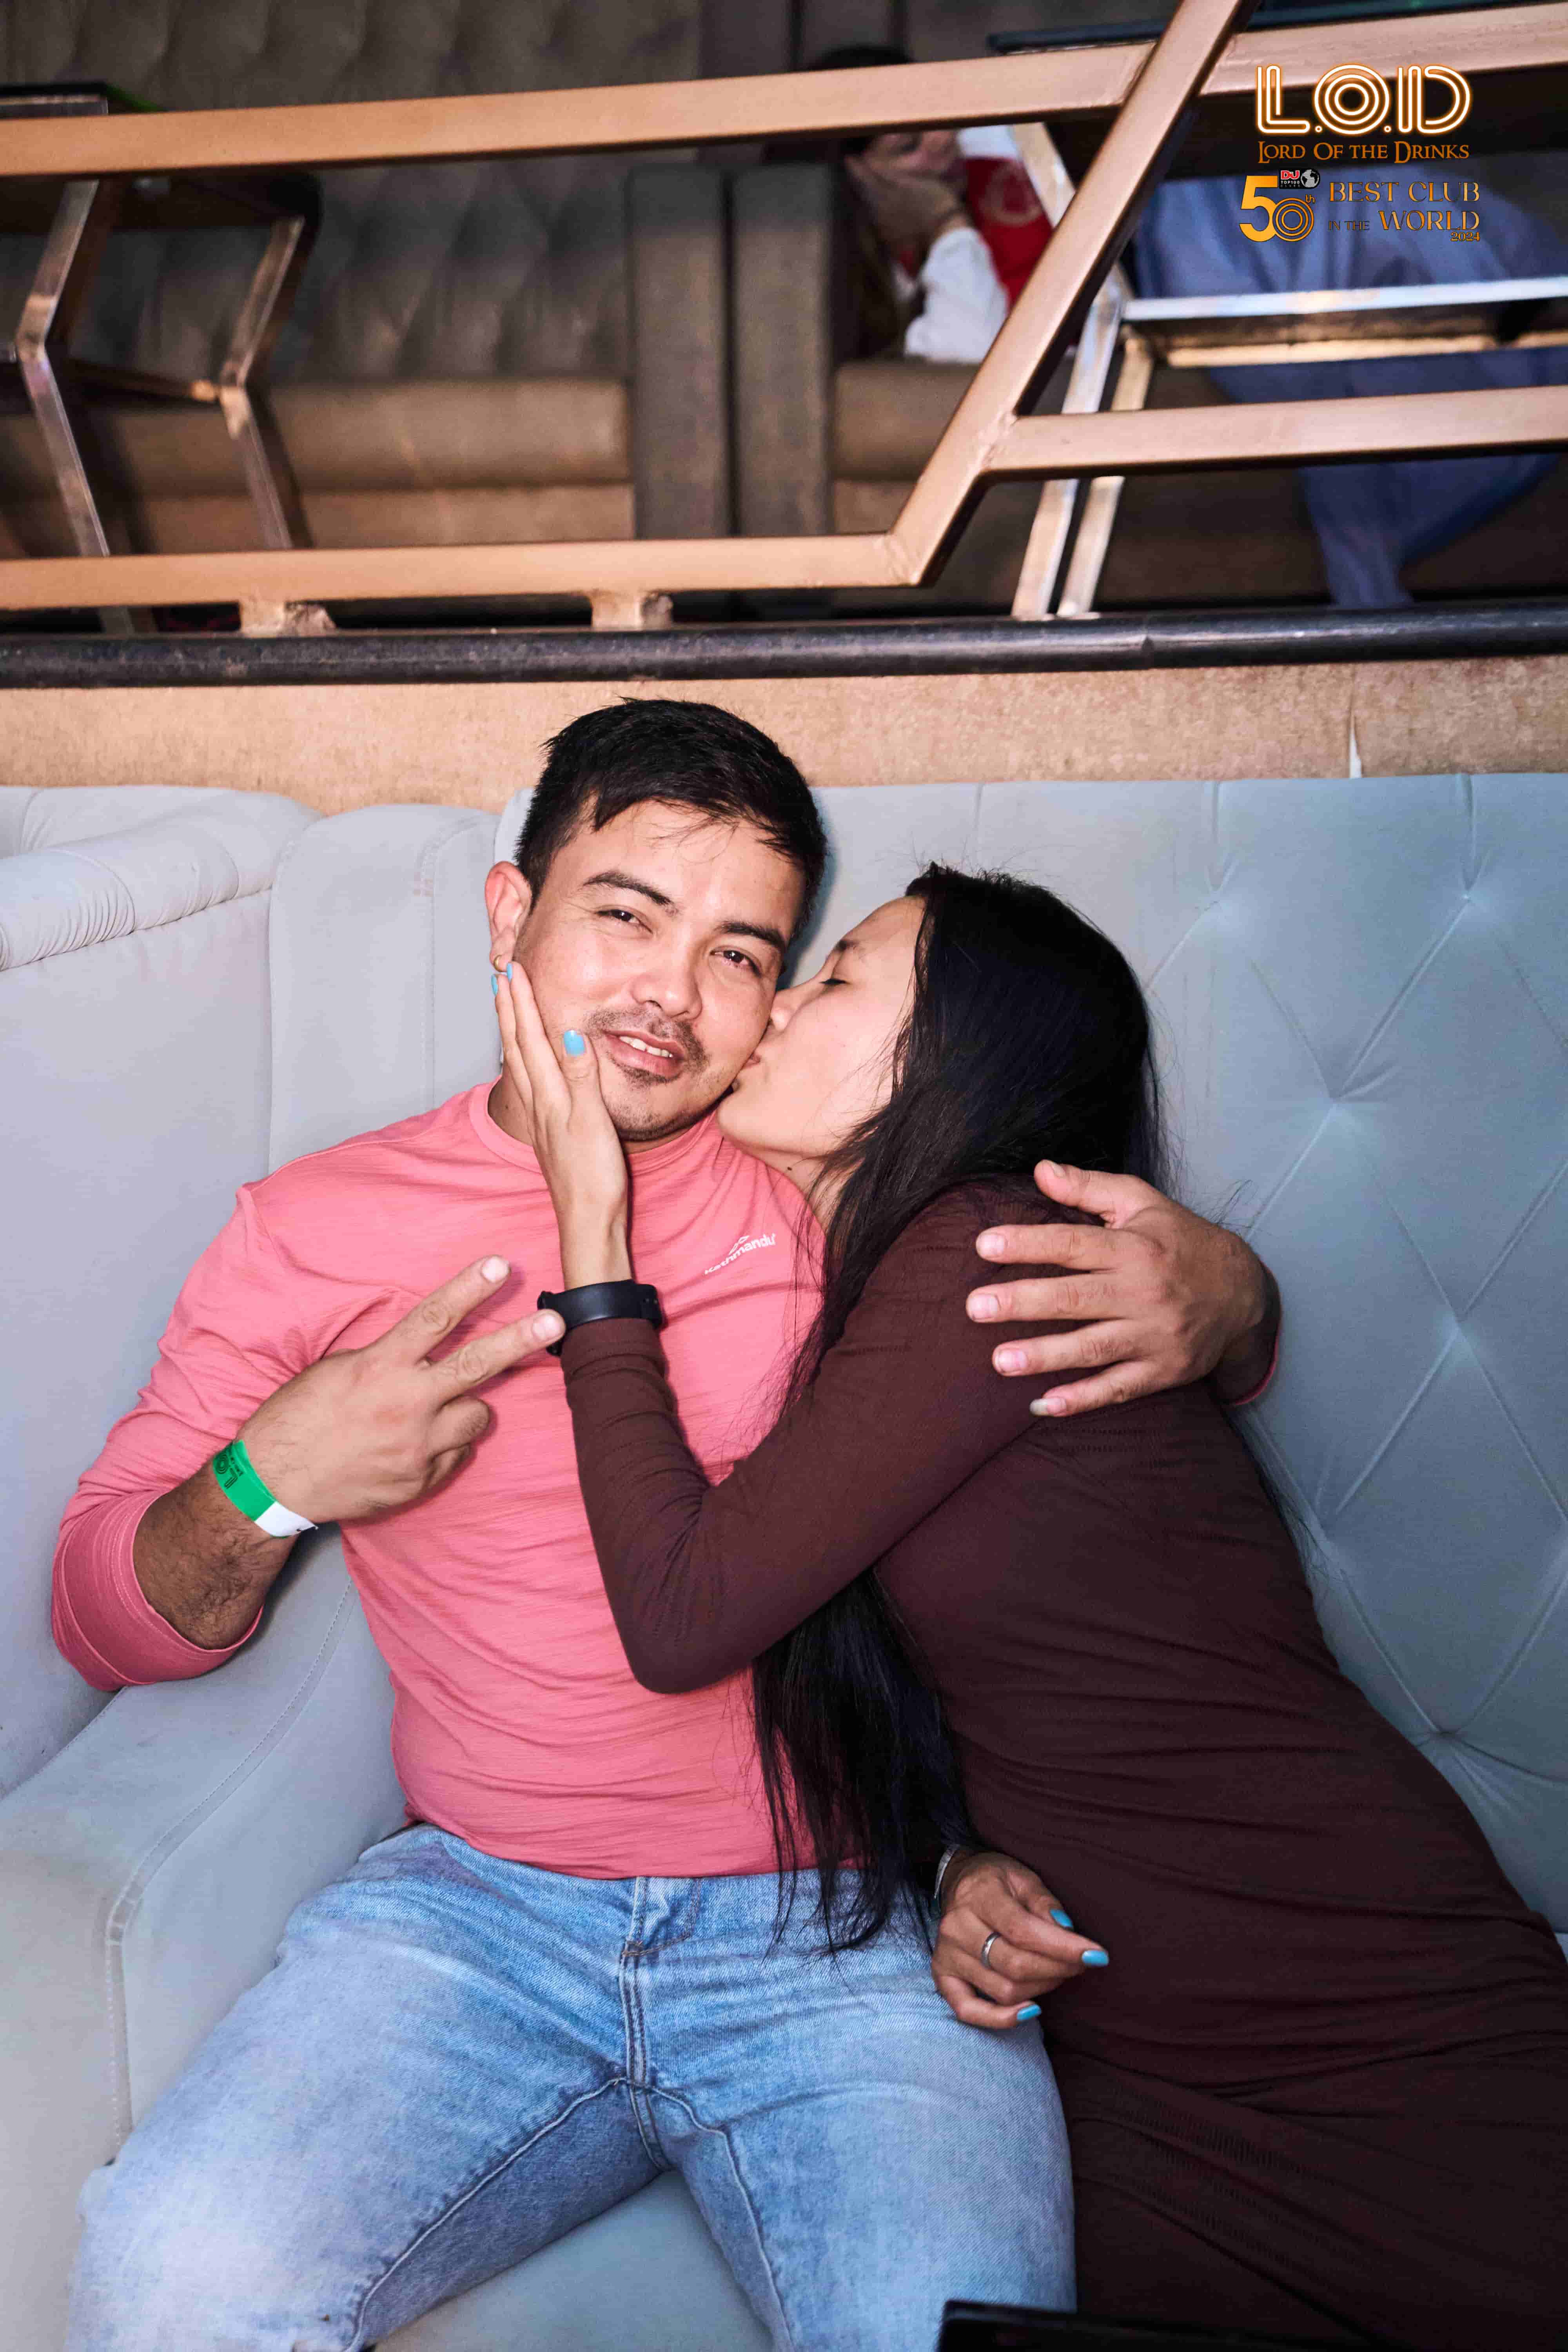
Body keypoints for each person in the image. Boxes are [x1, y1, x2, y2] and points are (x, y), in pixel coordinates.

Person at [55, 701, 1278, 2352]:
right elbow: (103, 1615)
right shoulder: (311, 1228)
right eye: (625, 915)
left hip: (848, 1924)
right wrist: (275, 1476)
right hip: (477, 1918)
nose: (671, 995)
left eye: (738, 953)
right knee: (166, 2276)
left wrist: (1232, 1300)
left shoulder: (836, 1188)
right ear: (511, 910)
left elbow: (1091, 1430)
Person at [503, 861, 1568, 2350]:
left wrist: (592, 1246)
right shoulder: (889, 1301)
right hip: (1139, 2081)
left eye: (839, 974)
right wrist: (951, 1860)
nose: (782, 1004)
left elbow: (683, 1617)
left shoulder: (984, 1253)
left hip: (1362, 2011)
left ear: (949, 1057)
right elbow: (979, 1687)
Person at [780, 45, 1051, 364]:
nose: (945, 137)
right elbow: (965, 364)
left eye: (940, 114)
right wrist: (945, 222)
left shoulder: (1008, 189)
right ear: (854, 178)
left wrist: (946, 221)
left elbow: (979, 363)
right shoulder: (818, 272)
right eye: (909, 145)